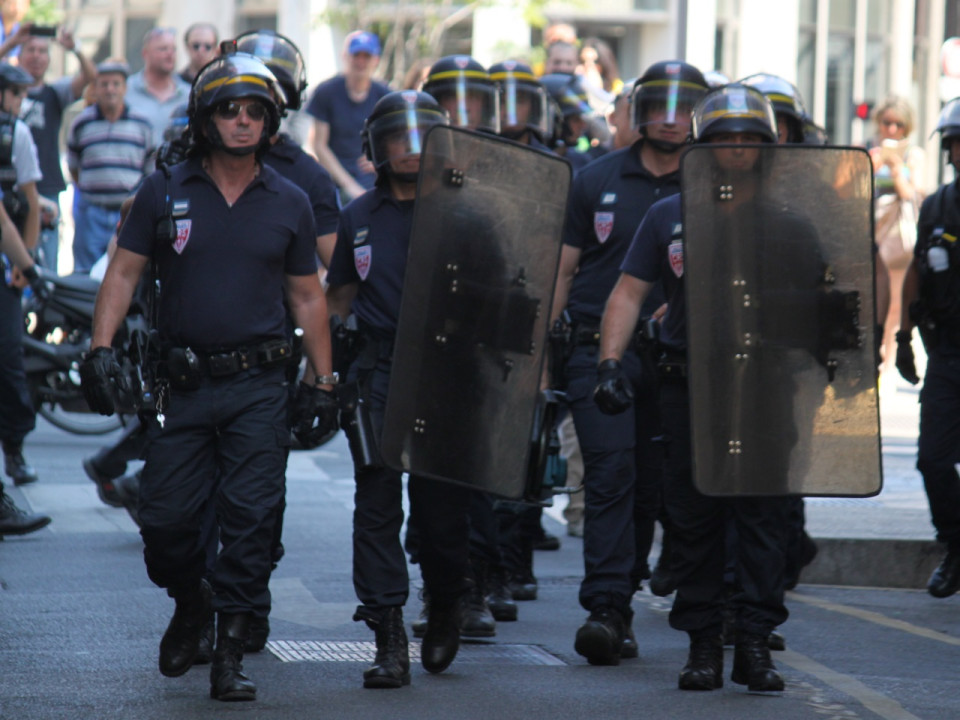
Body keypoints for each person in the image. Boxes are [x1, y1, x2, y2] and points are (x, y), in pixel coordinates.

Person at [80, 52, 337, 702]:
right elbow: (123, 273)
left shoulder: (292, 200)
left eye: (256, 112)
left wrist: (323, 380)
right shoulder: (164, 190)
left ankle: (229, 653)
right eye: (230, 110)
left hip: (259, 385)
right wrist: (100, 348)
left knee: (252, 523)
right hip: (177, 383)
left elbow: (308, 297)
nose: (243, 121)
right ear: (206, 118)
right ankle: (190, 600)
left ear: (272, 122)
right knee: (165, 524)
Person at [598, 84, 789, 692]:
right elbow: (629, 292)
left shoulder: (788, 219)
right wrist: (608, 361)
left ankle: (754, 644)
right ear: (703, 147)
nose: (735, 149)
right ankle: (704, 644)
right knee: (694, 517)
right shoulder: (668, 214)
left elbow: (828, 303)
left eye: (748, 140)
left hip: (764, 386)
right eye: (724, 139)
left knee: (762, 518)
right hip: (689, 385)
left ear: (765, 149)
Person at [550, 61, 708, 667]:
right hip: (599, 351)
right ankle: (607, 609)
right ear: (638, 112)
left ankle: (641, 593)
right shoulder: (593, 180)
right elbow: (564, 271)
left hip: (680, 359)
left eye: (683, 106)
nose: (669, 118)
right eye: (658, 105)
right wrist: (543, 360)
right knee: (610, 474)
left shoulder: (711, 182)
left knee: (652, 488)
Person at [325, 89, 474, 688]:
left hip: (446, 372)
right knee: (376, 503)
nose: (410, 150)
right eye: (397, 139)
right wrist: (323, 372)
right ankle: (388, 634)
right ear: (375, 149)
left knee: (441, 516)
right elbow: (337, 298)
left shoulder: (467, 210)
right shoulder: (358, 217)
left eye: (422, 138)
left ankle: (445, 602)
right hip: (378, 371)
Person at [896, 96, 960, 601]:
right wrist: (901, 339)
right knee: (933, 460)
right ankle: (956, 544)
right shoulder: (938, 205)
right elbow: (917, 269)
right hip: (948, 354)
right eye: (957, 144)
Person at [0, 23, 96, 273]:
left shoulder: (55, 93)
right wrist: (10, 43)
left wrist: (75, 48)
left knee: (45, 269)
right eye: (30, 50)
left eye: (43, 51)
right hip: (9, 189)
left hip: (45, 189)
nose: (36, 56)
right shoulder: (6, 103)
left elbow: (90, 78)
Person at [67, 60, 153, 274]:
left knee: (127, 272)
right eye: (104, 84)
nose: (110, 89)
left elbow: (150, 168)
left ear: (125, 88)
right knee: (85, 275)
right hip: (91, 214)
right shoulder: (81, 123)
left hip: (129, 213)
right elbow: (74, 167)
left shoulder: (142, 124)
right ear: (95, 88)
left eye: (116, 84)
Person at [868, 96, 925, 378]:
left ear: (906, 127)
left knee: (895, 303)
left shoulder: (913, 155)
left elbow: (911, 193)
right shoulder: (869, 151)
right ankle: (875, 355)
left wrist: (895, 169)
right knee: (874, 298)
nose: (891, 129)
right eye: (886, 122)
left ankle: (889, 363)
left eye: (898, 124)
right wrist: (875, 163)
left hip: (898, 233)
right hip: (873, 226)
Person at [0, 174, 47, 492]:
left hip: (5, 282)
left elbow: (4, 222)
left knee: (8, 360)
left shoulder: (15, 136)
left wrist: (27, 266)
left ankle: (14, 449)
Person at [306, 31, 390, 203]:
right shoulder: (326, 92)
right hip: (333, 178)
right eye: (356, 55)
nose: (360, 61)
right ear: (345, 56)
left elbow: (393, 140)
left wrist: (380, 161)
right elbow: (318, 144)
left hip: (372, 179)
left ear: (376, 60)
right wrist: (349, 185)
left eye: (366, 56)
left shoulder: (385, 95)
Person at [125, 27, 191, 147]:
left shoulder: (188, 95)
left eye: (173, 49)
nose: (170, 54)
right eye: (163, 49)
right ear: (145, 53)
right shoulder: (126, 91)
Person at [0, 63, 41, 259]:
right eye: (15, 92)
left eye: (24, 92)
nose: (22, 98)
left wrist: (27, 254)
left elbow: (31, 200)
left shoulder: (18, 132)